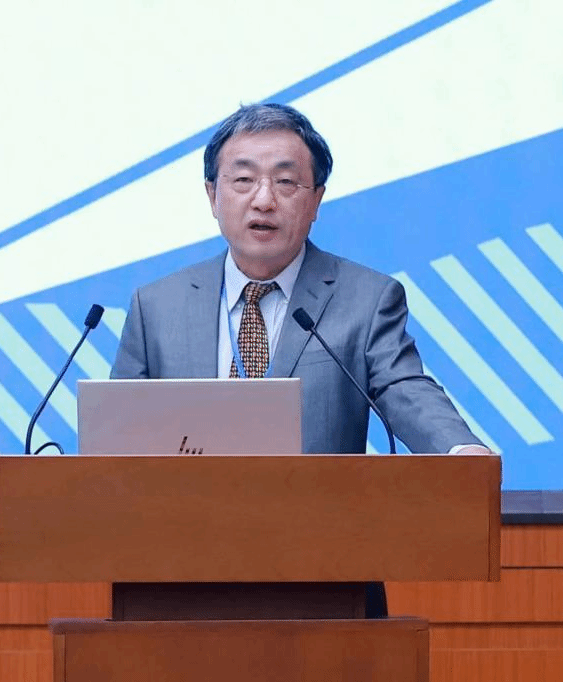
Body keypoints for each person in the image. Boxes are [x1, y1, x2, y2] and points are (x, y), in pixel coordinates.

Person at [110, 102, 492, 616]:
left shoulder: (366, 298)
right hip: (178, 583)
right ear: (212, 196)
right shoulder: (156, 305)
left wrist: (457, 449)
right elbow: (117, 439)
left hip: (323, 578)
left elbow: (403, 386)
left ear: (316, 201)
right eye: (243, 180)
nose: (263, 200)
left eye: (286, 182)